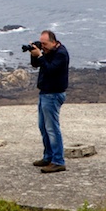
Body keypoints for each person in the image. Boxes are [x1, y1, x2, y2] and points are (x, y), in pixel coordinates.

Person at [29, 29, 69, 173]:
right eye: (42, 44)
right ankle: (48, 157)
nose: (43, 46)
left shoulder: (61, 54)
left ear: (54, 42)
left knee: (52, 129)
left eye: (45, 44)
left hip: (53, 95)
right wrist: (35, 54)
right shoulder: (49, 52)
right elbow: (37, 65)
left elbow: (50, 69)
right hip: (45, 93)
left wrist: (40, 55)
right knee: (43, 127)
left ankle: (58, 161)